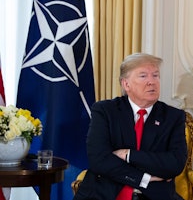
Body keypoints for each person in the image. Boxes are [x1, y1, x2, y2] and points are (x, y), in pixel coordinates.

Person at [73, 53, 187, 200]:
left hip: (155, 195)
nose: (152, 82)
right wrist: (143, 178)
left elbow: (175, 164)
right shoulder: (105, 111)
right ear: (126, 84)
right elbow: (98, 159)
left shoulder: (173, 117)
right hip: (104, 193)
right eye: (143, 76)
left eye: (155, 75)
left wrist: (128, 155)